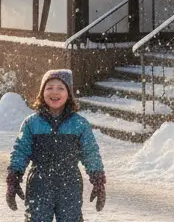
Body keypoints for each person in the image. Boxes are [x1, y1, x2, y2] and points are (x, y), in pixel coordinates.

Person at [6, 69, 105, 222]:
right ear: (42, 92)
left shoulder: (79, 124)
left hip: (70, 184)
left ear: (68, 94)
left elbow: (90, 152)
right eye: (49, 87)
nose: (55, 92)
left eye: (60, 88)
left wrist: (98, 179)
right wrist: (13, 177)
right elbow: (21, 151)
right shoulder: (32, 123)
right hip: (39, 184)